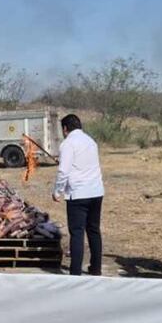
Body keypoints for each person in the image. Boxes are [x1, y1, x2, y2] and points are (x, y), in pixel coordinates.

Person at [52, 114, 104, 276]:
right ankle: (96, 268)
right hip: (96, 192)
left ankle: (75, 272)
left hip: (78, 194)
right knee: (94, 230)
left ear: (65, 129)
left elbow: (63, 171)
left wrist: (57, 191)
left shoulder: (68, 144)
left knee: (77, 232)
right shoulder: (91, 141)